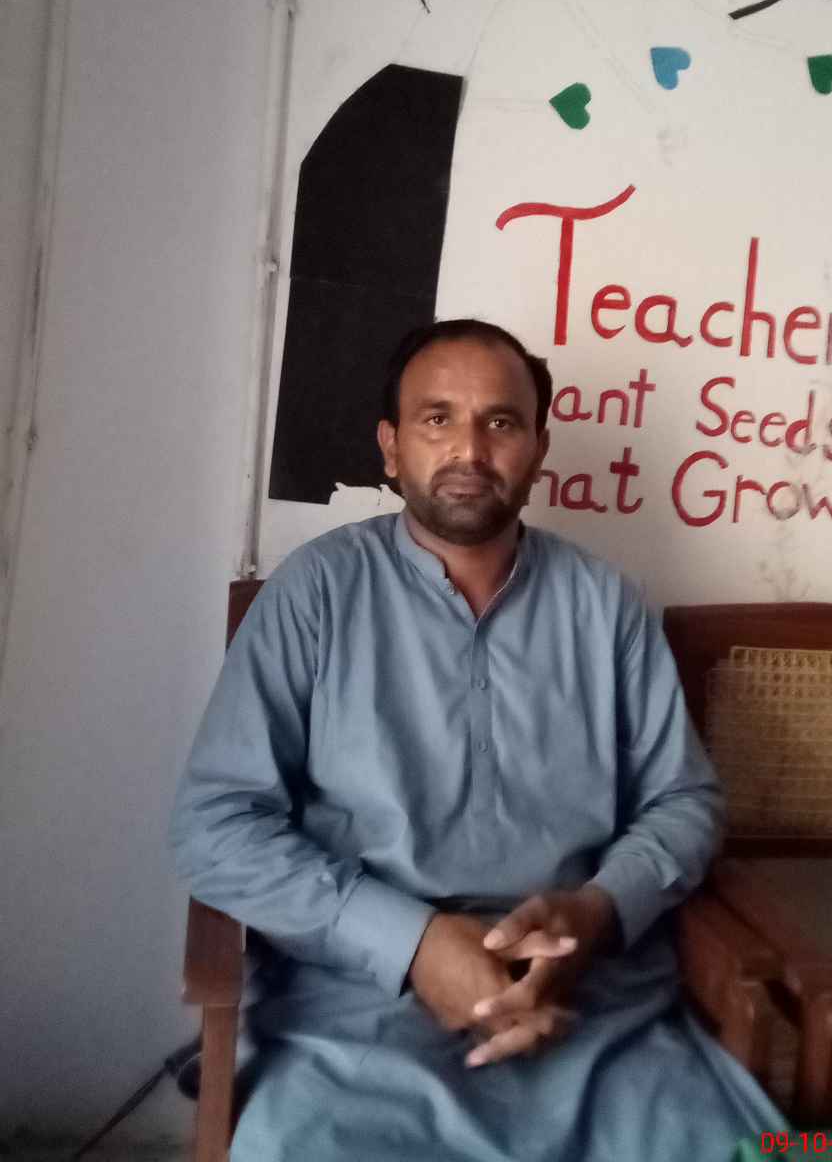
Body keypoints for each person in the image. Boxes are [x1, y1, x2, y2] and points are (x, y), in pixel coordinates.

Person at [170, 319, 786, 1161]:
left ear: (538, 448)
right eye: (437, 419)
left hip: (589, 999)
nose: (469, 448)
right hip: (355, 1006)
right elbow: (215, 825)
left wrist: (594, 914)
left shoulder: (606, 606)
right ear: (391, 447)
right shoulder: (314, 594)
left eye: (501, 421)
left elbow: (684, 802)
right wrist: (411, 943)